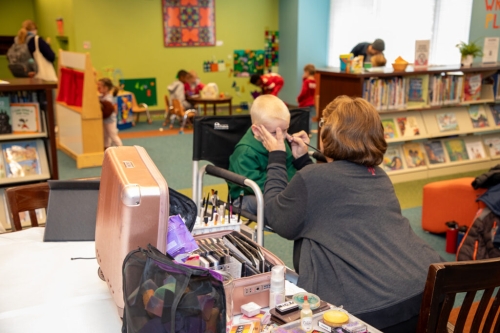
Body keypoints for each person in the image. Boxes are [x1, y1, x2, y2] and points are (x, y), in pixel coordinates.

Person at [255, 95, 443, 333]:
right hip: (424, 294)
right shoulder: (378, 175)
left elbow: (278, 217)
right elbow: (331, 195)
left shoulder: (313, 179)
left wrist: (277, 156)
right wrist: (304, 160)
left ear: (329, 133)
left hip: (366, 312)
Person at [228, 95, 309, 215]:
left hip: (278, 191)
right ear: (256, 130)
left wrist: (292, 188)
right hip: (246, 197)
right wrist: (286, 192)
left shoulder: (280, 142)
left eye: (285, 130)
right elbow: (252, 183)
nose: (280, 137)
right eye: (273, 132)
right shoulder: (245, 152)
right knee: (283, 206)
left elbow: (290, 168)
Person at [97, 78, 122, 149]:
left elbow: (110, 109)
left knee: (113, 135)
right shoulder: (101, 97)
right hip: (105, 120)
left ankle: (121, 148)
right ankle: (106, 149)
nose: (98, 88)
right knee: (105, 136)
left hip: (110, 121)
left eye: (99, 86)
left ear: (106, 88)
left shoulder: (108, 99)